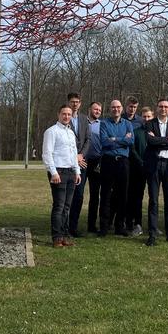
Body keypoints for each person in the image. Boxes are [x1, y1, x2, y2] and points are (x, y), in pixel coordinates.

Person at [143, 99, 168, 246]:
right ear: (157, 108)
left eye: (166, 107)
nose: (163, 109)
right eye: (161, 106)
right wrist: (166, 139)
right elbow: (150, 142)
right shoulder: (149, 124)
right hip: (154, 165)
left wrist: (158, 140)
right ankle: (152, 234)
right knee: (153, 201)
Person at [42, 105, 82, 248]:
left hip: (71, 172)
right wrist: (53, 172)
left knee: (67, 206)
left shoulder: (71, 133)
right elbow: (47, 154)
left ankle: (65, 236)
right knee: (59, 206)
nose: (66, 117)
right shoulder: (51, 132)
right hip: (58, 172)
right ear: (58, 114)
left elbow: (74, 153)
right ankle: (57, 238)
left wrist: (77, 171)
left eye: (69, 114)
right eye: (64, 114)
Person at [98, 100, 134, 236]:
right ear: (110, 108)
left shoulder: (128, 124)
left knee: (122, 195)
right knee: (106, 194)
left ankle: (120, 226)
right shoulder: (104, 123)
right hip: (108, 162)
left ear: (122, 108)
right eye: (113, 107)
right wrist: (121, 139)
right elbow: (104, 142)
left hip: (123, 162)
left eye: (118, 107)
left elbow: (131, 141)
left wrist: (114, 139)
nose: (116, 109)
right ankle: (104, 227)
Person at [66, 93, 91, 238]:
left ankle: (73, 227)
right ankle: (64, 226)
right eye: (72, 102)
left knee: (79, 196)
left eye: (77, 102)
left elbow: (88, 139)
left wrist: (81, 155)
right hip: (68, 163)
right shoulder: (65, 118)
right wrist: (74, 157)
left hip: (82, 163)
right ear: (68, 103)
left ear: (80, 103)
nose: (75, 104)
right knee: (68, 196)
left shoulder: (84, 119)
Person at [127, 106, 154, 236]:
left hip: (154, 169)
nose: (147, 119)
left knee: (153, 197)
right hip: (138, 169)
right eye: (144, 116)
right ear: (141, 118)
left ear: (152, 117)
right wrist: (141, 163)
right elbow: (132, 150)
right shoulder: (136, 131)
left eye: (149, 116)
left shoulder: (157, 132)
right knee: (137, 197)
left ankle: (152, 225)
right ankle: (137, 224)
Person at [83, 102, 103, 234]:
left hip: (96, 162)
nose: (97, 111)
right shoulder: (81, 122)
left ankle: (91, 225)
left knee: (95, 195)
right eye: (95, 109)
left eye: (99, 110)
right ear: (89, 109)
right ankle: (71, 224)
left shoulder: (102, 124)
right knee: (77, 195)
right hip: (82, 161)